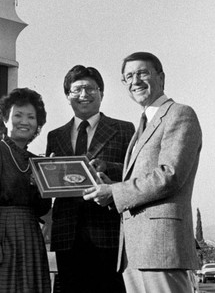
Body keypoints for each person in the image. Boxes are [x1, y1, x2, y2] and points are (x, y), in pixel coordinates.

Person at [84, 52, 202, 293]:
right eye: (128, 76)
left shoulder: (180, 114)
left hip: (161, 249)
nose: (134, 81)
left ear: (161, 78)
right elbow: (144, 173)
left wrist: (114, 192)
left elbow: (169, 175)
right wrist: (111, 179)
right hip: (134, 252)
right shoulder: (144, 122)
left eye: (142, 73)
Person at [46, 65, 135, 293]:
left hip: (109, 232)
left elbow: (134, 172)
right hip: (67, 234)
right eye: (76, 90)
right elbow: (52, 185)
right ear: (67, 96)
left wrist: (107, 168)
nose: (83, 95)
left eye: (90, 89)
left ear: (102, 93)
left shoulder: (124, 129)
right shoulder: (55, 136)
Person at [0, 88, 51, 293]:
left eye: (31, 117)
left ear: (38, 124)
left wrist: (44, 183)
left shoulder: (37, 160)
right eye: (17, 115)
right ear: (5, 120)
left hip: (30, 234)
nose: (24, 121)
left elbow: (42, 208)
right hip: (1, 232)